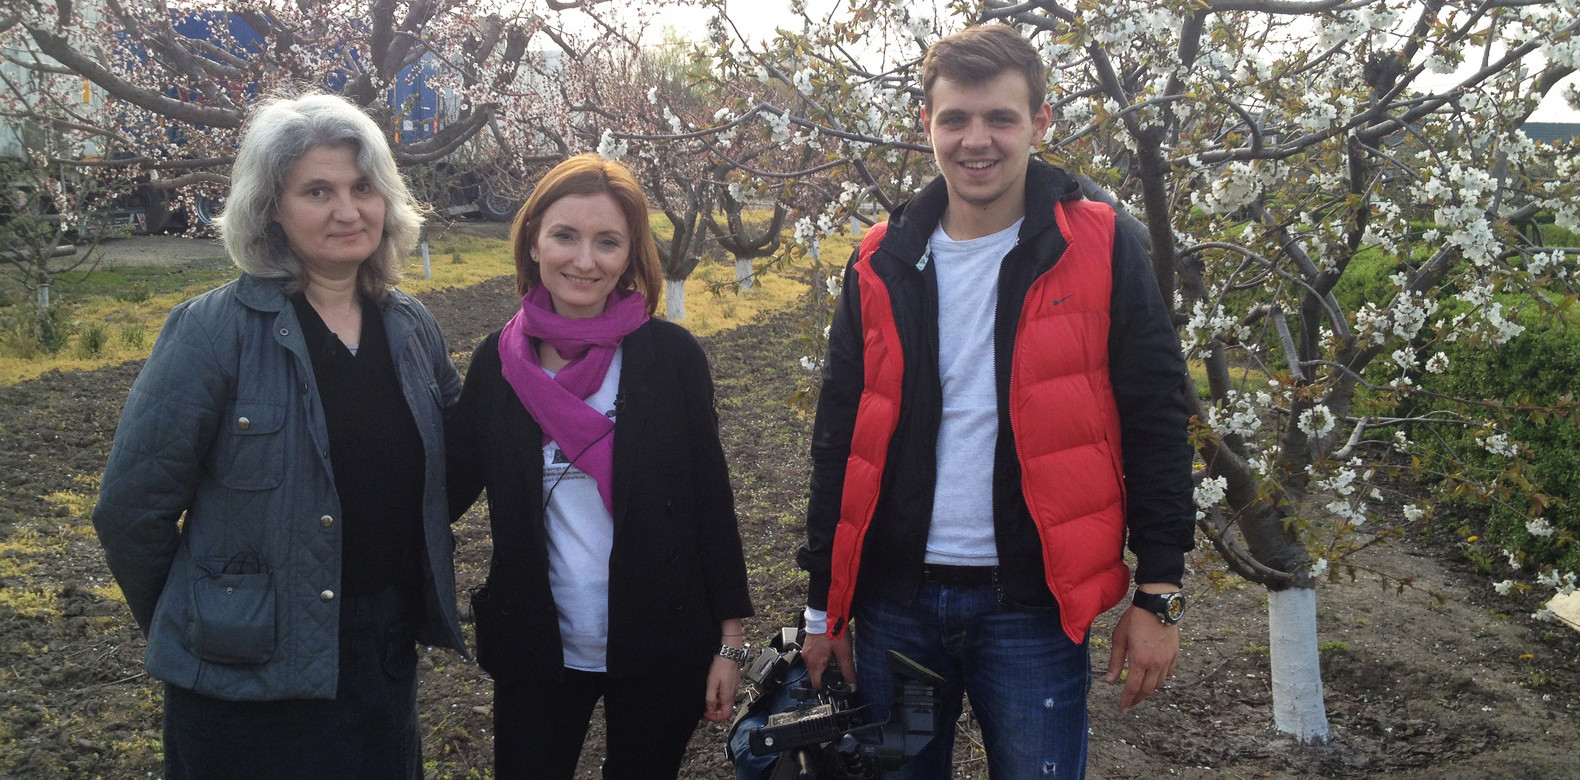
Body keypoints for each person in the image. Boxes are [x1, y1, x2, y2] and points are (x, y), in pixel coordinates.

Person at [798, 23, 1195, 780]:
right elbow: (840, 436)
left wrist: (1161, 592)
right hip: (893, 603)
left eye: (1000, 118)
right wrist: (824, 609)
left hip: (1032, 608)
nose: (976, 140)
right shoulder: (880, 258)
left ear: (1040, 122)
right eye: (955, 119)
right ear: (927, 125)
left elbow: (1156, 416)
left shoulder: (1103, 242)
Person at [91, 93, 465, 779]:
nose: (347, 211)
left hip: (381, 657)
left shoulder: (411, 328)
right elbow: (130, 510)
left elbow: (452, 469)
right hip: (244, 680)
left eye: (362, 188)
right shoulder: (211, 333)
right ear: (272, 207)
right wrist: (211, 618)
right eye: (317, 190)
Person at [447, 152, 754, 779]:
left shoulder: (669, 358)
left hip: (659, 640)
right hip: (537, 642)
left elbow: (709, 501)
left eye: (607, 242)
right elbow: (443, 488)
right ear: (533, 240)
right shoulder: (499, 365)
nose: (584, 261)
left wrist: (729, 642)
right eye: (565, 235)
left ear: (630, 253)